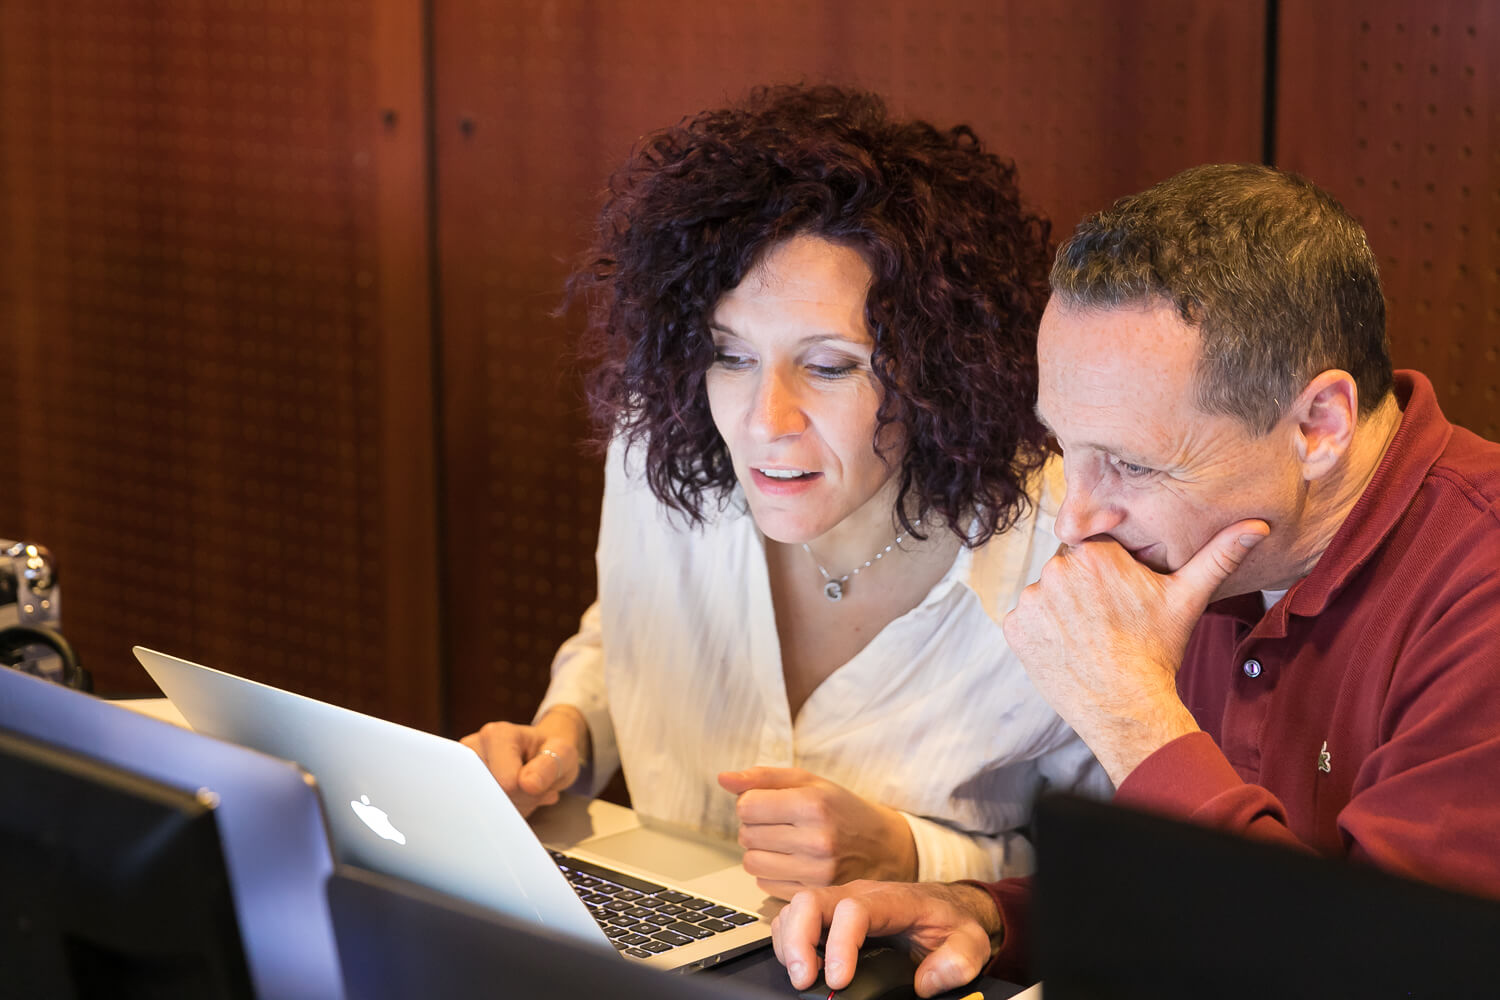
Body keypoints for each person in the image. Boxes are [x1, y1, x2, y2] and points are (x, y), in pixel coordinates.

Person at [771, 162, 1500, 995]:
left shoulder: (1478, 587)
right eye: (1064, 447)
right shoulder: (1216, 541)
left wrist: (1132, 718)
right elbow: (1199, 915)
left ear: (1318, 426)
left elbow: (1378, 976)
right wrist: (992, 918)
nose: (1076, 518)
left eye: (1130, 464)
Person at [461, 84, 1110, 895]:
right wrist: (569, 736)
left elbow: (1111, 885)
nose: (764, 421)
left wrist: (912, 856)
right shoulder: (661, 443)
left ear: (940, 374)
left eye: (829, 366)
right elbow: (629, 623)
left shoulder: (1062, 553)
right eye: (731, 356)